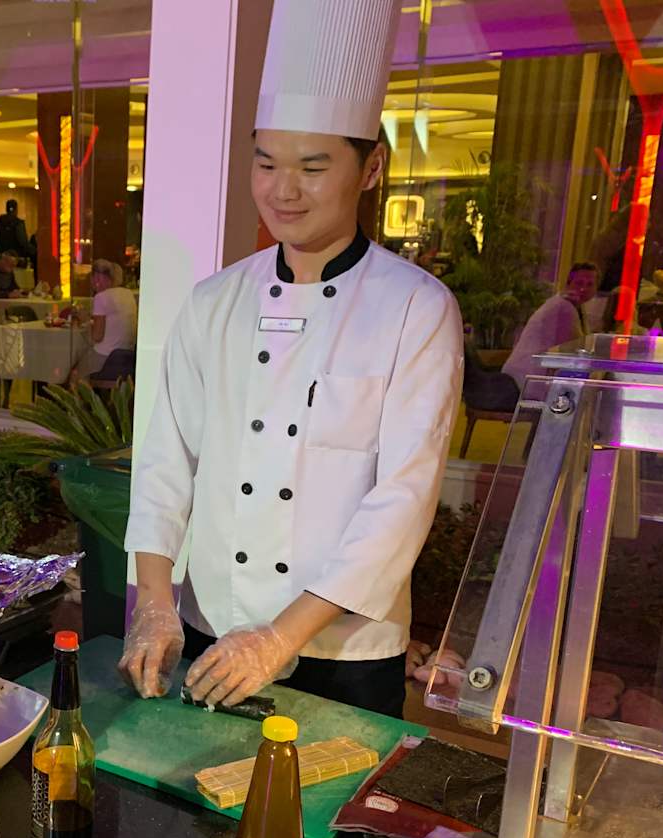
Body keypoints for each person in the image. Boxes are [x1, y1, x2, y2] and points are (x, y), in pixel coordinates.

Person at [119, 0, 463, 718]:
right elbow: (166, 460)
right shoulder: (214, 301)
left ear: (370, 168)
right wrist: (153, 600)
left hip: (343, 651)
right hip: (212, 631)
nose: (283, 189)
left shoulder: (415, 307)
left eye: (312, 167)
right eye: (267, 163)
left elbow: (402, 499)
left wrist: (280, 637)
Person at [502, 261, 599, 395]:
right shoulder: (564, 307)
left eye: (590, 284)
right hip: (527, 379)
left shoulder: (568, 304)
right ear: (568, 284)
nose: (584, 289)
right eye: (579, 283)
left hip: (525, 375)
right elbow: (576, 349)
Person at [90, 258, 138, 360]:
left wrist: (88, 326)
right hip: (128, 355)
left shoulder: (101, 297)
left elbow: (97, 336)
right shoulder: (129, 293)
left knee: (77, 362)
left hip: (106, 356)